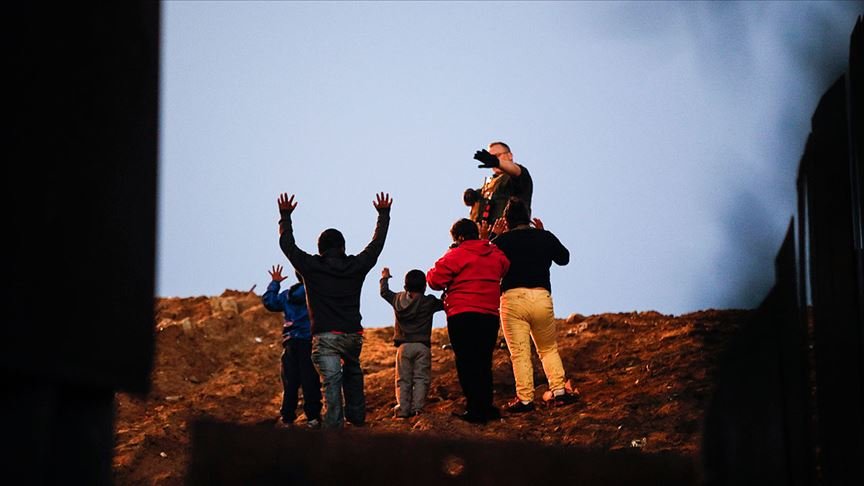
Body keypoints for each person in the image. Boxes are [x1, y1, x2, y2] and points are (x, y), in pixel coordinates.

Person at [277, 192, 392, 429]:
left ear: (320, 249)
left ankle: (334, 427)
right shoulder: (356, 265)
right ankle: (357, 417)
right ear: (343, 247)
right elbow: (376, 246)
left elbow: (287, 245)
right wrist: (383, 215)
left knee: (331, 381)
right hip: (352, 335)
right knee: (353, 372)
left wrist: (285, 216)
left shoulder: (311, 267)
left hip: (325, 337)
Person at [490, 198, 578, 413]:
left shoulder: (502, 241)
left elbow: (487, 262)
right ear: (528, 217)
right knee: (548, 348)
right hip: (541, 297)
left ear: (507, 220)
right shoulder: (543, 236)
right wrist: (544, 234)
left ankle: (525, 399)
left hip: (513, 299)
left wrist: (494, 237)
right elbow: (564, 258)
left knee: (520, 353)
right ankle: (559, 390)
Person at [427, 218, 510, 424]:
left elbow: (434, 280)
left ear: (458, 237)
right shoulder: (495, 253)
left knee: (466, 362)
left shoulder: (456, 255)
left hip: (462, 314)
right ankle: (486, 406)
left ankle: (475, 409)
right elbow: (504, 266)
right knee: (483, 361)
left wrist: (450, 251)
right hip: (489, 315)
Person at [262, 264, 323, 428]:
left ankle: (287, 418)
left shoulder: (286, 295)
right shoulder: (315, 293)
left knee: (290, 382)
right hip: (307, 342)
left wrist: (275, 283)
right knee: (310, 381)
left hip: (290, 343)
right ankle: (313, 418)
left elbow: (269, 302)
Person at [380, 267, 444, 418]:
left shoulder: (397, 300)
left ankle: (403, 409)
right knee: (421, 378)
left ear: (405, 286)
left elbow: (384, 293)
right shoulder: (429, 302)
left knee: (403, 379)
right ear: (424, 287)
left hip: (403, 347)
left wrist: (385, 278)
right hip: (422, 346)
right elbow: (444, 303)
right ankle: (417, 409)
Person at [463, 141, 534, 225]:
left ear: (510, 156)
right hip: (484, 232)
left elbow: (517, 171)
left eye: (497, 155)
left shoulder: (515, 176)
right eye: (490, 157)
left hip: (510, 231)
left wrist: (497, 162)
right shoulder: (486, 188)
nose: (492, 159)